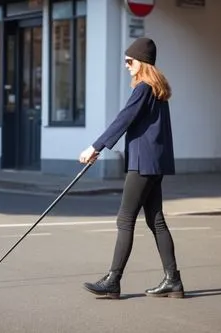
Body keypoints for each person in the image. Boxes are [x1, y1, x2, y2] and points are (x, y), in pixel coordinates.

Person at [78, 37, 184, 299]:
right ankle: (173, 281)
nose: (126, 65)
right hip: (155, 163)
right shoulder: (156, 89)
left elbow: (123, 119)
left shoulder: (144, 88)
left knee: (125, 220)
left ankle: (113, 280)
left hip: (142, 163)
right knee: (156, 221)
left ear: (142, 62)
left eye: (129, 61)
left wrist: (96, 147)